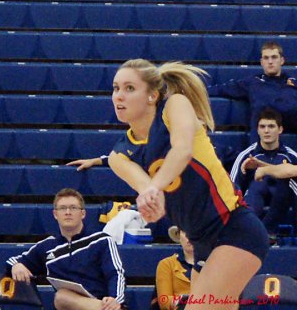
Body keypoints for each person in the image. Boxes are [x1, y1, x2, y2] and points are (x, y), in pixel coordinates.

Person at [107, 58, 269, 310]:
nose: (119, 96)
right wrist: (152, 202)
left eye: (129, 88)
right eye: (116, 88)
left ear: (152, 95)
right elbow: (148, 190)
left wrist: (154, 188)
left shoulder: (174, 105)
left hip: (234, 228)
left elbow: (182, 150)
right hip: (199, 244)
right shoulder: (119, 155)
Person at [6, 188, 127, 310]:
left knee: (61, 296)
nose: (68, 212)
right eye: (63, 208)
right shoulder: (47, 246)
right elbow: (12, 261)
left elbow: (115, 273)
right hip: (69, 306)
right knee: (62, 297)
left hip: (102, 301)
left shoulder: (101, 240)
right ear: (55, 214)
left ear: (83, 214)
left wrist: (115, 299)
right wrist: (16, 265)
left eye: (73, 208)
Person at [230, 108, 297, 241]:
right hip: (256, 197)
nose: (266, 131)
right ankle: (252, 229)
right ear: (257, 130)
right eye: (262, 126)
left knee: (287, 180)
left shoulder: (291, 155)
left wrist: (263, 168)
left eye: (271, 126)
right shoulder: (246, 156)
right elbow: (232, 188)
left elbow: (291, 171)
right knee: (258, 184)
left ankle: (267, 229)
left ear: (280, 129)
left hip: (283, 198)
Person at [207, 41, 297, 140]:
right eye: (266, 58)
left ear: (282, 60)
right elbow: (221, 89)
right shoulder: (252, 83)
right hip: (261, 144)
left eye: (274, 57)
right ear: (262, 62)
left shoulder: (293, 83)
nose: (270, 61)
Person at [155, 227, 193, 310]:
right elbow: (164, 301)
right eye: (185, 231)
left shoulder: (215, 264)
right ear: (179, 235)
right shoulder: (166, 264)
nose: (189, 236)